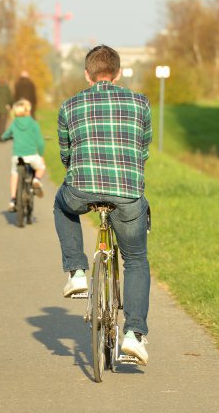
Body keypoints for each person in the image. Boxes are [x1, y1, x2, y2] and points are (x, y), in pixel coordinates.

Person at [53, 45, 152, 365]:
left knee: (61, 203)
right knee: (135, 259)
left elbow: (66, 156)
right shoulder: (140, 103)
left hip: (82, 189)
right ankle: (134, 335)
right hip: (127, 193)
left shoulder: (70, 105)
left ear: (87, 74)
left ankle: (78, 271)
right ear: (119, 72)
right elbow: (143, 148)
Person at [1, 99, 46, 211]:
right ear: (28, 111)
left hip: (18, 157)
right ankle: (36, 179)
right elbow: (40, 142)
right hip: (32, 156)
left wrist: (6, 137)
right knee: (41, 167)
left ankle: (12, 200)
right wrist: (40, 154)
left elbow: (4, 136)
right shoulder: (33, 123)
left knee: (14, 174)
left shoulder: (14, 124)